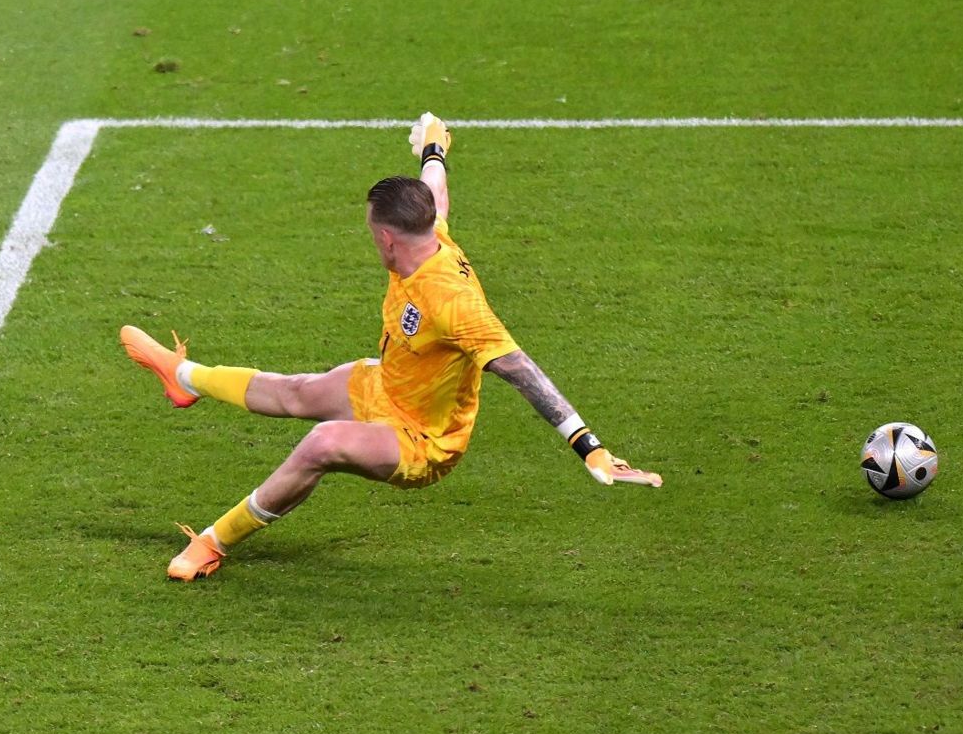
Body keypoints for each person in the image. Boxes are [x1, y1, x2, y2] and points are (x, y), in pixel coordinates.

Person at [121, 113, 660, 581]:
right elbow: (435, 191)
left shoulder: (451, 301)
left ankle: (213, 542)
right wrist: (433, 148)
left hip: (424, 437)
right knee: (298, 391)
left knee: (321, 443)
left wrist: (588, 447)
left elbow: (520, 369)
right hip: (391, 383)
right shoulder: (431, 233)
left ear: (386, 238)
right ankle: (182, 376)